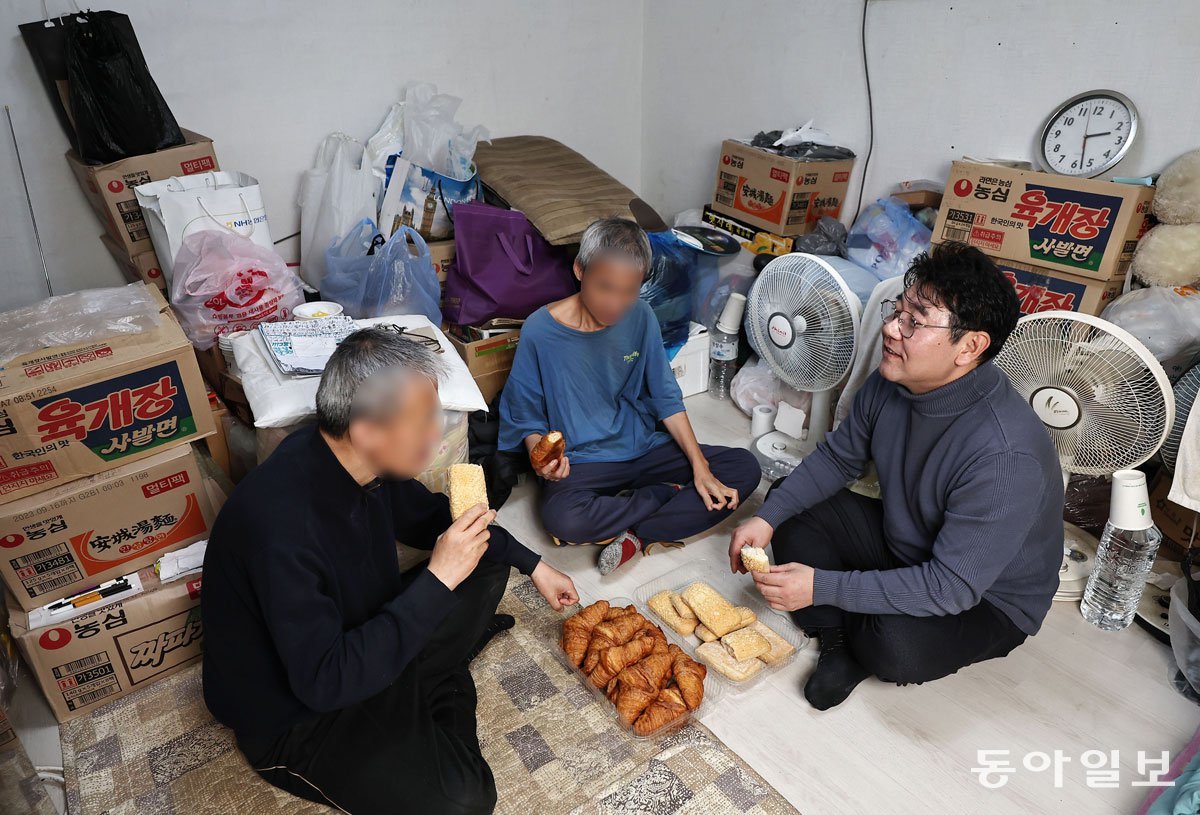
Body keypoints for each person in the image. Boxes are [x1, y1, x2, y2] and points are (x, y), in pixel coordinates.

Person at [202, 328, 578, 814]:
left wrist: (536, 565)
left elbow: (439, 521)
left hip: (362, 632)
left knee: (486, 562)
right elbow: (324, 681)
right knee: (465, 800)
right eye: (423, 420)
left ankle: (420, 682)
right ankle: (437, 684)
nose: (435, 433)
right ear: (366, 429)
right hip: (299, 711)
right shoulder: (279, 529)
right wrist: (439, 579)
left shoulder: (365, 465)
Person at [729, 242, 1062, 711]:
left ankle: (849, 629)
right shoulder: (894, 379)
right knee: (786, 504)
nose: (889, 328)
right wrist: (768, 518)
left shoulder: (1005, 454)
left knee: (897, 648)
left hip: (984, 596)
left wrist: (822, 587)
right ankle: (840, 640)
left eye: (914, 321)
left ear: (970, 346)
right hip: (906, 544)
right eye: (896, 311)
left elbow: (952, 586)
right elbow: (838, 459)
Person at [500, 218, 761, 575]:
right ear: (580, 270)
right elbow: (526, 416)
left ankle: (637, 534)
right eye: (605, 288)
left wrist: (700, 469)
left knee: (743, 468)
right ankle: (664, 496)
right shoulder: (539, 331)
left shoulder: (641, 316)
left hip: (643, 447)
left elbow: (666, 396)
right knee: (563, 520)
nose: (616, 303)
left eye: (629, 291)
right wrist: (540, 458)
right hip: (583, 461)